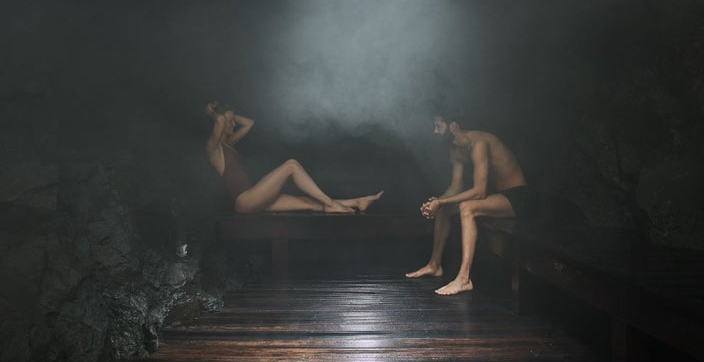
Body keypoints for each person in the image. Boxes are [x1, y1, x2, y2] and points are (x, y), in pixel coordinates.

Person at [406, 114, 531, 295]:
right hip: (497, 196)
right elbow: (455, 187)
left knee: (467, 208)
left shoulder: (479, 143)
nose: (435, 132)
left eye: (438, 127)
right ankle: (434, 265)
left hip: (518, 196)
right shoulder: (455, 151)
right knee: (443, 208)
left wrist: (441, 201)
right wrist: (435, 202)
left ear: (453, 126)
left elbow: (479, 191)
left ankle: (464, 279)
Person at [204, 101, 384, 214]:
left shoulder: (229, 145)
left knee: (308, 203)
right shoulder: (214, 149)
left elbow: (249, 123)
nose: (233, 124)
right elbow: (220, 121)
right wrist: (212, 112)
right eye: (229, 121)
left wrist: (230, 115)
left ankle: (357, 202)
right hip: (245, 201)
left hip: (255, 198)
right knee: (292, 165)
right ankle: (331, 204)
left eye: (233, 120)